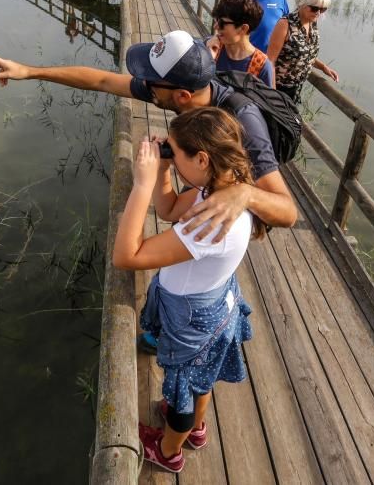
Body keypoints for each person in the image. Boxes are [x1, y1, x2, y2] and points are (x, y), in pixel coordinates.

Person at [0, 30, 297, 240]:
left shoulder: (245, 121)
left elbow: (287, 211)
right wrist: (29, 71)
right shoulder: (178, 92)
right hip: (203, 186)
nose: (141, 83)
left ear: (182, 96)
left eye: (149, 79)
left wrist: (244, 194)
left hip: (234, 216)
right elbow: (103, 81)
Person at [113, 107, 263, 473]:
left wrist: (142, 184)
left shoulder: (211, 224)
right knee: (202, 378)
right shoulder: (216, 189)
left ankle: (169, 451)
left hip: (194, 320)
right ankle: (196, 428)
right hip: (212, 305)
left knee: (181, 391)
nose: (172, 159)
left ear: (202, 158)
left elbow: (126, 255)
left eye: (176, 154)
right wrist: (164, 169)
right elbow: (168, 210)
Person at [266, 0, 339, 103]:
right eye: (314, 8)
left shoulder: (312, 23)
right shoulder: (285, 24)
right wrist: (273, 93)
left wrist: (323, 67)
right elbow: (270, 61)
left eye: (323, 9)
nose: (318, 13)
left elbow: (304, 54)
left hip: (296, 88)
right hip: (279, 88)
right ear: (302, 3)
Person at [207, 0, 274, 87]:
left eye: (222, 23)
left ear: (243, 29)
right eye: (216, 20)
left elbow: (266, 101)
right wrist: (206, 57)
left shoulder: (260, 66)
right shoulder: (211, 47)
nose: (215, 26)